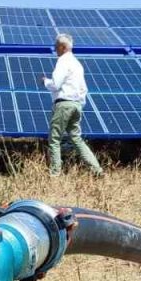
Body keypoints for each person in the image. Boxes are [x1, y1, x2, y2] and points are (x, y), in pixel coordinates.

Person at [41, 34, 102, 177]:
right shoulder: (77, 64)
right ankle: (97, 170)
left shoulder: (63, 61)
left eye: (56, 47)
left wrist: (45, 81)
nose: (55, 50)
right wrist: (79, 104)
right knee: (76, 139)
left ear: (62, 47)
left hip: (64, 104)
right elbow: (83, 89)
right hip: (77, 105)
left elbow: (56, 84)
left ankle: (54, 174)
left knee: (54, 139)